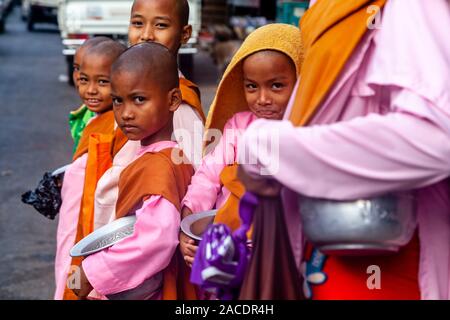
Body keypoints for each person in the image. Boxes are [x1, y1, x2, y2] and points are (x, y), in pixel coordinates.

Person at [237, 0, 450, 299]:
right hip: (326, 255)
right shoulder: (326, 8)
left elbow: (437, 137)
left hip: (391, 266)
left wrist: (272, 148)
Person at [72, 42, 197, 300]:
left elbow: (155, 240)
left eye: (139, 99)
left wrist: (92, 273)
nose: (126, 113)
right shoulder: (166, 155)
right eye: (118, 101)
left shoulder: (159, 166)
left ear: (174, 99)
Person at [180, 24, 303, 267]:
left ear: (301, 81)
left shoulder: (305, 132)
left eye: (276, 85)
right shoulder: (238, 125)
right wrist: (189, 217)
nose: (263, 99)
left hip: (278, 249)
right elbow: (208, 175)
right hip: (227, 242)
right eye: (251, 86)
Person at [92, 0, 205, 231]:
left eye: (160, 25)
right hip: (114, 219)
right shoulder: (128, 88)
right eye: (137, 23)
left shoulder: (178, 103)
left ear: (185, 34)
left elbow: (196, 176)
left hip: (141, 231)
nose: (146, 35)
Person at [54, 40, 127, 300]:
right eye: (84, 79)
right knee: (65, 270)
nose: (91, 90)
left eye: (103, 82)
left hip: (92, 227)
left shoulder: (121, 126)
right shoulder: (93, 121)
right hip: (72, 223)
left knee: (79, 282)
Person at [69, 37, 111, 153]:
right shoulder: (86, 112)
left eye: (102, 81)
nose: (78, 77)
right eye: (77, 68)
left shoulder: (118, 123)